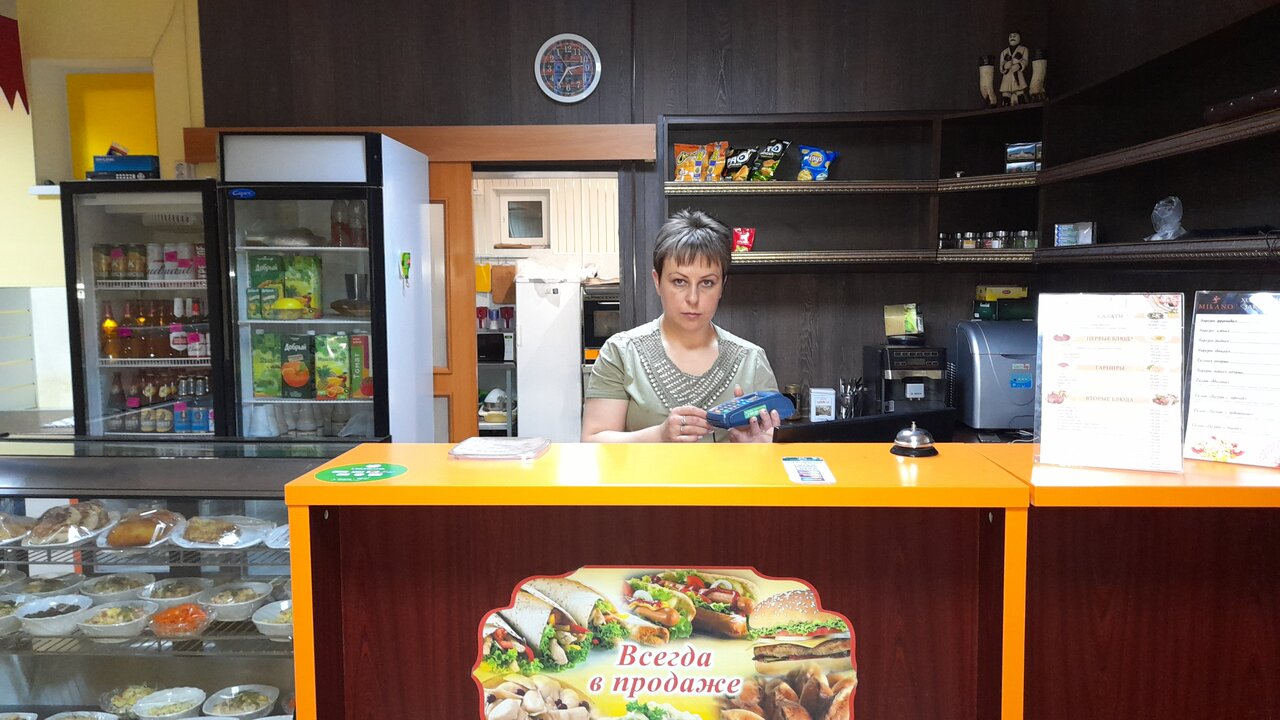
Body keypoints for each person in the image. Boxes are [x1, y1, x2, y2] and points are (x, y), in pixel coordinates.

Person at [582, 210, 780, 443]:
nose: (693, 298)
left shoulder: (751, 360)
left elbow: (772, 445)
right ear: (657, 281)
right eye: (679, 281)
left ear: (722, 285)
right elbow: (592, 443)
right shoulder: (622, 353)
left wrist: (756, 447)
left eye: (707, 283)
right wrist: (659, 435)